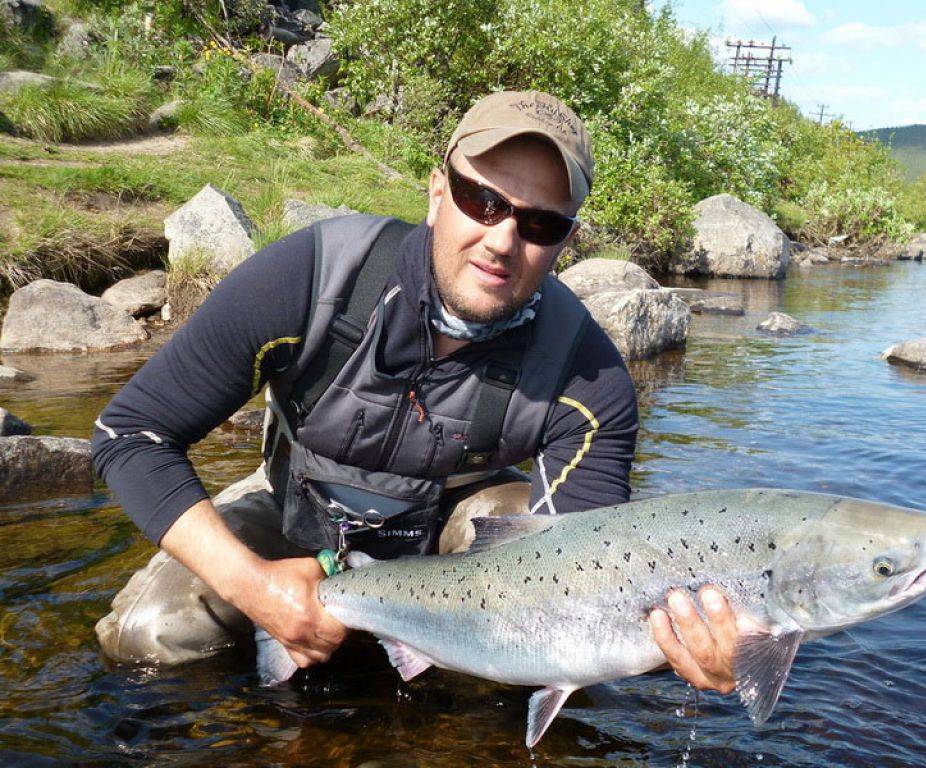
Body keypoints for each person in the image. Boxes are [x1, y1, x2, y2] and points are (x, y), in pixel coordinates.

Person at [92, 90, 737, 695]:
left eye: (540, 223)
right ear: (436, 194)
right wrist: (256, 586)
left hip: (462, 548)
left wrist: (676, 651)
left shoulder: (587, 378)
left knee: (548, 639)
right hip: (292, 513)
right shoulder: (313, 278)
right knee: (147, 637)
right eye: (482, 199)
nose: (502, 238)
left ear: (566, 242)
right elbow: (131, 435)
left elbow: (587, 580)